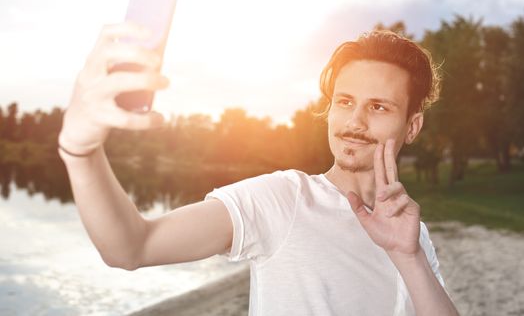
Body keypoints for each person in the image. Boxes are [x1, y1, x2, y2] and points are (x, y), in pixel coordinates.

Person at [58, 23, 459, 316]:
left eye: (377, 107)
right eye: (344, 101)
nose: (354, 122)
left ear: (412, 126)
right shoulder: (282, 200)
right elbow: (131, 247)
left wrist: (409, 258)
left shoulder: (413, 234)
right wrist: (81, 150)